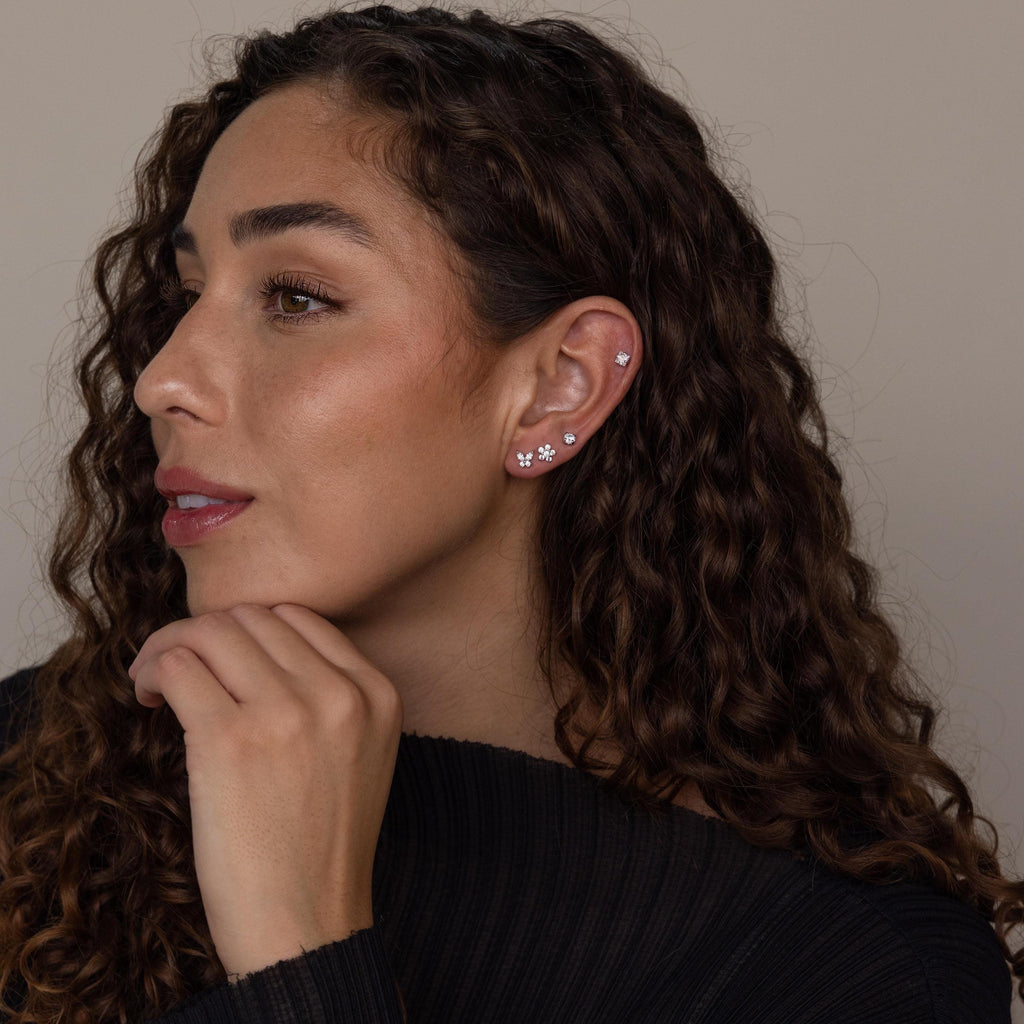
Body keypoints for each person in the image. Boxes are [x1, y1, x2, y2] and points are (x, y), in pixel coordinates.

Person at [0, 4, 1020, 1022]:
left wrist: (297, 957)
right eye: (187, 294)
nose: (163, 381)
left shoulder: (853, 970)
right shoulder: (30, 775)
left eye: (297, 296)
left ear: (559, 385)